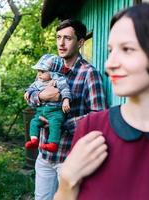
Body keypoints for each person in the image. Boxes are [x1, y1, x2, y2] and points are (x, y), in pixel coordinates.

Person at [54, 2, 149, 200]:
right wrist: (67, 182)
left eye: (127, 49)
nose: (109, 64)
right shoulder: (91, 129)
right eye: (111, 51)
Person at [26, 19, 107, 200]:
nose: (61, 43)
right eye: (58, 37)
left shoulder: (89, 74)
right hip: (45, 155)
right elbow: (30, 96)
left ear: (80, 42)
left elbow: (99, 117)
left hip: (70, 158)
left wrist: (63, 124)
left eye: (68, 38)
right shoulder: (48, 67)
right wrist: (40, 97)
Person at [25, 54, 71, 152]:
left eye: (42, 71)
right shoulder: (38, 82)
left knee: (55, 124)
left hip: (55, 111)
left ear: (53, 73)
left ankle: (53, 143)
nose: (39, 74)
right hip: (41, 111)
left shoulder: (59, 80)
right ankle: (34, 140)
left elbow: (65, 90)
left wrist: (66, 100)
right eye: (38, 71)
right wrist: (28, 92)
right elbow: (31, 89)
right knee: (34, 122)